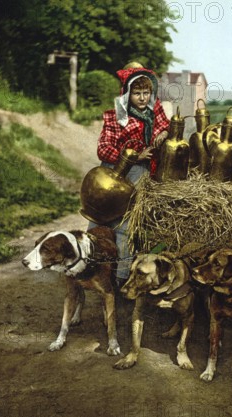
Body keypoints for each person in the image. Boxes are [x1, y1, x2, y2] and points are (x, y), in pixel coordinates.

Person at [89, 64, 170, 285]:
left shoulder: (155, 110)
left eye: (146, 93)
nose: (142, 98)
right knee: (100, 219)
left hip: (141, 171)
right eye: (137, 93)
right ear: (127, 92)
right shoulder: (118, 113)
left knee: (126, 224)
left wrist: (163, 132)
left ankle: (121, 276)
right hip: (114, 169)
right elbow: (103, 148)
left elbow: (166, 126)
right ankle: (89, 269)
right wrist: (133, 156)